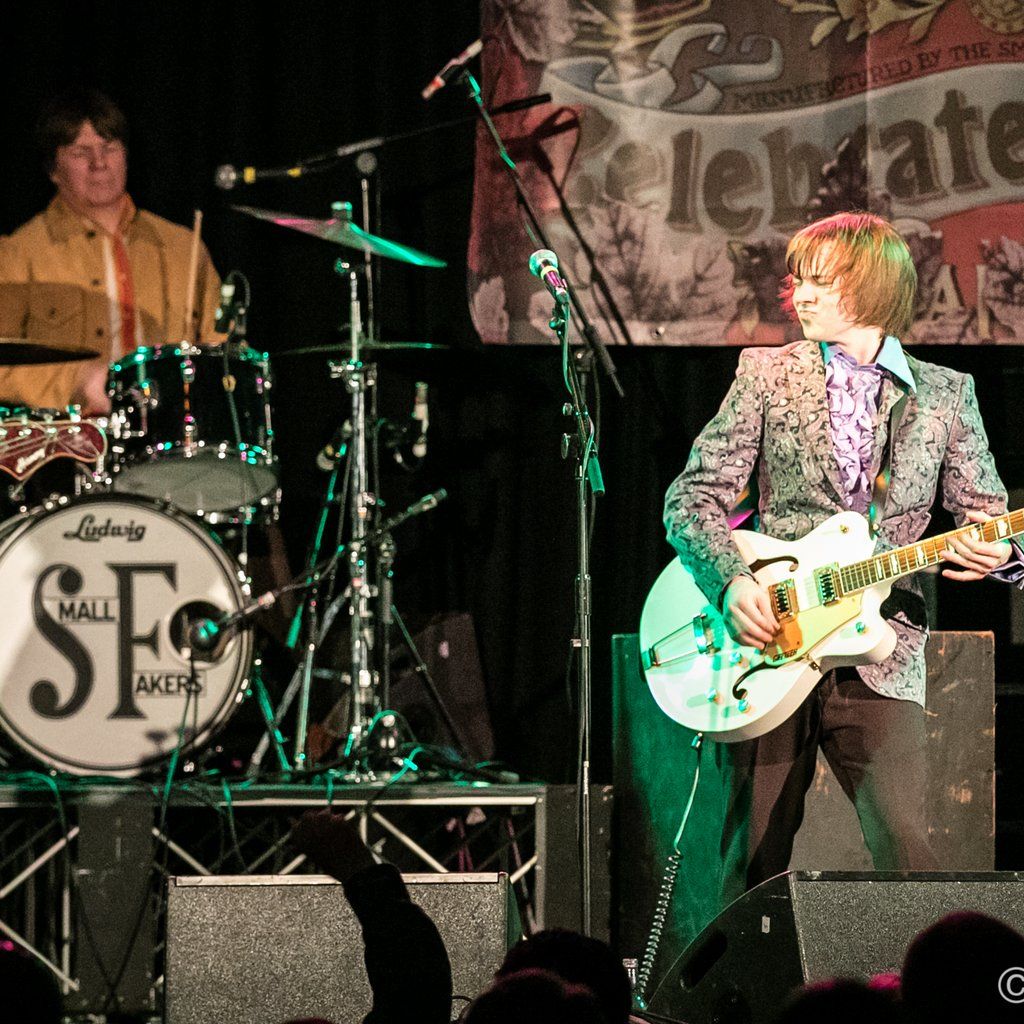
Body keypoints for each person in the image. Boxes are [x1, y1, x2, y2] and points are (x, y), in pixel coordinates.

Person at [663, 211, 1022, 903]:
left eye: (819, 281)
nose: (798, 293)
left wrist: (1003, 553)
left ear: (871, 285)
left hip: (882, 650)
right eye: (797, 279)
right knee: (750, 860)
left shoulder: (946, 395)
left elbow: (992, 521)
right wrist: (731, 582)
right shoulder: (766, 374)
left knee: (906, 847)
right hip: (769, 646)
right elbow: (691, 499)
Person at [0, 87, 221, 416]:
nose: (99, 163)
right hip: (68, 442)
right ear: (53, 169)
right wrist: (76, 383)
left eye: (109, 148)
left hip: (170, 438)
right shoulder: (19, 253)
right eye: (80, 152)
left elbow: (222, 352)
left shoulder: (183, 247)